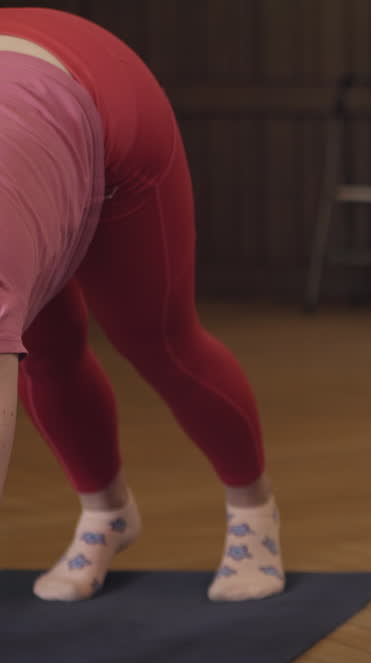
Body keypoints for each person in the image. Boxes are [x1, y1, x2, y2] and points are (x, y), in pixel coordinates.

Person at [0, 8, 284, 603]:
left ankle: (253, 510)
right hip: (28, 131)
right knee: (48, 353)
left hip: (106, 99)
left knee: (162, 345)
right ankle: (107, 515)